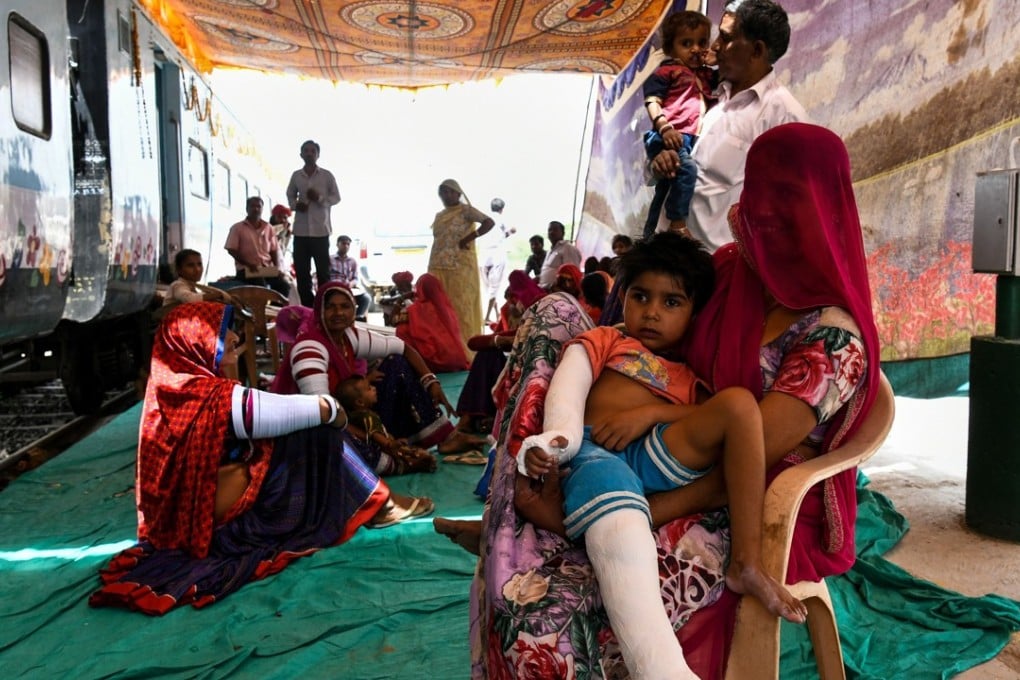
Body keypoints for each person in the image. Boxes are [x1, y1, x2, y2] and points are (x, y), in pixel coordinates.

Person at [447, 123, 880, 679]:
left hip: (730, 493)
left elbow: (746, 449)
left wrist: (646, 509)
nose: (764, 213)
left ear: (823, 209)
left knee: (543, 623)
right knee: (554, 316)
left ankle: (523, 523)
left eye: (786, 198)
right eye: (758, 193)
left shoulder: (832, 339)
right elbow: (640, 323)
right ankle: (518, 502)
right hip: (644, 450)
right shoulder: (730, 274)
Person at [517, 232, 806, 678]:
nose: (652, 312)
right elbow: (569, 386)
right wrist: (560, 439)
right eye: (640, 296)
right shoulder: (607, 340)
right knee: (618, 515)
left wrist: (649, 413)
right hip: (595, 452)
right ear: (623, 297)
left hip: (655, 452)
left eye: (672, 303)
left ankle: (746, 562)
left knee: (738, 406)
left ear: (694, 314)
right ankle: (662, 669)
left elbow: (707, 414)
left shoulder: (690, 374)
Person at [89, 302, 434, 615]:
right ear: (201, 346)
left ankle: (375, 500)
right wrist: (333, 412)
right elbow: (293, 410)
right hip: (215, 509)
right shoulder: (205, 394)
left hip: (203, 499)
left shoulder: (180, 385)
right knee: (315, 432)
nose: (236, 341)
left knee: (309, 428)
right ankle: (377, 502)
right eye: (226, 337)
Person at [650, 0, 808, 251]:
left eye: (725, 38)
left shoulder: (785, 117)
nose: (714, 46)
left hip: (711, 268)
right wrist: (660, 162)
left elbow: (791, 214)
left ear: (756, 50)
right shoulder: (706, 93)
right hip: (665, 251)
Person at [272, 281, 488, 455]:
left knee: (396, 364)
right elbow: (322, 412)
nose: (338, 313)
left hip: (349, 413)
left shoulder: (348, 336)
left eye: (344, 306)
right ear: (319, 310)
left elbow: (403, 348)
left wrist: (431, 381)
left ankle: (445, 438)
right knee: (383, 459)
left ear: (354, 309)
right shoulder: (309, 348)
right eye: (330, 307)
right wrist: (379, 440)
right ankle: (394, 452)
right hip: (318, 430)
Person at [641, 11, 717, 239]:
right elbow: (653, 100)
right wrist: (664, 126)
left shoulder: (706, 75)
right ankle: (677, 223)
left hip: (689, 139)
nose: (695, 49)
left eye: (701, 42)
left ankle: (649, 236)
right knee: (687, 170)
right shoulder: (667, 71)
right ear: (671, 48)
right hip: (669, 137)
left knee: (665, 189)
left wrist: (715, 58)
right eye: (686, 43)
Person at [455, 271, 546, 437]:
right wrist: (500, 340)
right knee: (488, 354)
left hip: (537, 371)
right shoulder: (511, 309)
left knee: (490, 356)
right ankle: (475, 417)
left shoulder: (540, 310)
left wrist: (505, 340)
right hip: (516, 365)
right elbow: (476, 342)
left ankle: (472, 419)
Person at [426, 179, 495, 353]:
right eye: (443, 192)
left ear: (458, 193)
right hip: (437, 267)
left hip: (459, 269)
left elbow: (488, 222)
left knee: (461, 310)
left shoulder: (466, 211)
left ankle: (465, 350)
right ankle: (446, 350)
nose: (446, 195)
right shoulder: (440, 215)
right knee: (438, 308)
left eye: (450, 191)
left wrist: (469, 238)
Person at [337, 375, 438, 475]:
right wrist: (390, 443)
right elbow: (375, 435)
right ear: (360, 402)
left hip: (382, 448)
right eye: (369, 388)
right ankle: (412, 465)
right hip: (381, 451)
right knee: (404, 457)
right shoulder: (367, 416)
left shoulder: (357, 416)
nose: (374, 388)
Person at [286, 140, 341, 306]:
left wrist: (320, 199)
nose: (309, 154)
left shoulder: (326, 175)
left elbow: (336, 198)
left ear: (318, 155)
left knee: (323, 273)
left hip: (320, 232)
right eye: (306, 151)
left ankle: (324, 306)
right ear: (301, 154)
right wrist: (296, 205)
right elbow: (290, 195)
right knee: (302, 273)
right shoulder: (296, 176)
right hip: (301, 232)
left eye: (312, 151)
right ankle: (307, 308)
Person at [396, 273, 470, 373]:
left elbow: (393, 321)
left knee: (402, 330)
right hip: (455, 359)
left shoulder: (414, 309)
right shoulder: (447, 309)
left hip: (433, 361)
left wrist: (400, 300)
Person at [223, 196, 290, 297]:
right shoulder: (237, 228)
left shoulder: (269, 228)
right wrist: (248, 264)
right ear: (247, 208)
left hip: (266, 269)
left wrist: (276, 269)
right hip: (246, 270)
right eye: (252, 206)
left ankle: (275, 310)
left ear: (262, 209)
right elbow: (231, 250)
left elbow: (273, 250)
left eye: (258, 206)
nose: (256, 209)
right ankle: (261, 311)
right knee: (260, 285)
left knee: (284, 285)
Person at [480, 197, 516, 323]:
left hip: (483, 256)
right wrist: (511, 232)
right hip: (497, 255)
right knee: (494, 288)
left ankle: (495, 314)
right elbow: (511, 229)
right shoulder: (502, 218)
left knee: (489, 288)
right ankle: (487, 316)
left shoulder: (484, 219)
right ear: (502, 209)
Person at [163, 249, 234, 308]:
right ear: (179, 270)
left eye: (199, 264)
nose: (197, 269)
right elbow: (190, 299)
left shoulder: (191, 286)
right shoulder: (178, 285)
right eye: (190, 265)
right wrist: (219, 294)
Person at [329, 235, 372, 320]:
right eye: (343, 243)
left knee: (366, 298)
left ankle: (357, 318)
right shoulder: (329, 259)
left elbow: (355, 278)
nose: (346, 246)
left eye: (348, 244)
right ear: (337, 245)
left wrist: (351, 284)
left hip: (348, 288)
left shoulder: (352, 261)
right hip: (334, 288)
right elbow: (323, 276)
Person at [537, 220, 582, 289]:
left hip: (557, 292)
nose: (551, 232)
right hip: (544, 290)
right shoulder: (550, 250)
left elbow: (571, 273)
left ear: (563, 233)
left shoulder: (567, 248)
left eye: (555, 230)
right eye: (549, 230)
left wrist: (555, 287)